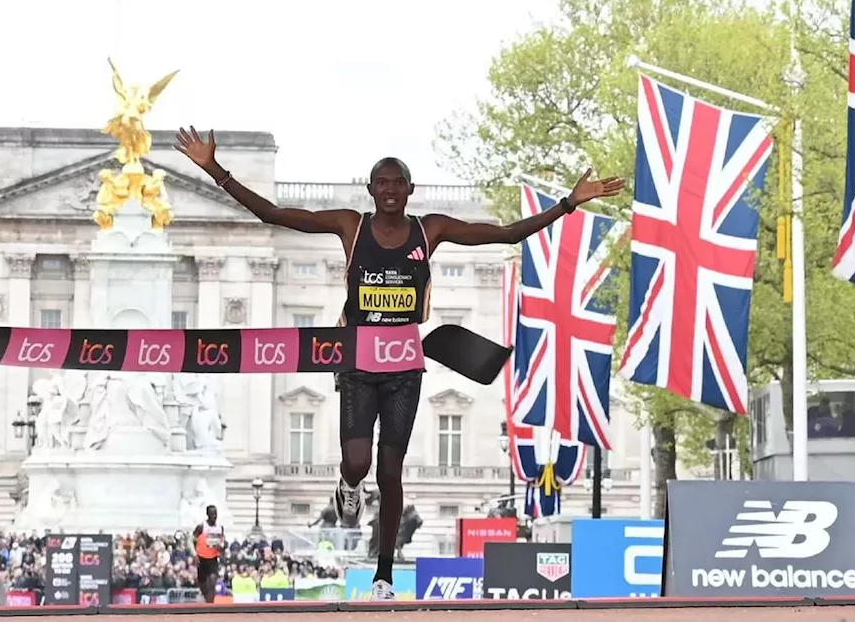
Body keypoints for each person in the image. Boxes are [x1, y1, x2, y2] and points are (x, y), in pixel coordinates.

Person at [174, 127, 625, 600]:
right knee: (357, 460)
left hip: (405, 367)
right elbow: (273, 213)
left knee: (391, 473)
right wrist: (213, 170)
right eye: (381, 183)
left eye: (398, 182)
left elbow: (507, 233)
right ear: (371, 191)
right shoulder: (351, 226)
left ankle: (383, 575)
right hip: (357, 363)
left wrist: (568, 204)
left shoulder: (431, 231)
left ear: (410, 190)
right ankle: (348, 488)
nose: (389, 190)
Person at [193, 504, 225, 603]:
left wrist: (222, 547)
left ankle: (210, 606)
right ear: (207, 514)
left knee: (212, 581)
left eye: (215, 514)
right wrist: (194, 553)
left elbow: (222, 541)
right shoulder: (201, 527)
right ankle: (206, 599)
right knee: (203, 584)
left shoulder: (220, 528)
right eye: (212, 514)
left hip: (213, 559)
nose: (214, 516)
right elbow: (190, 540)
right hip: (202, 559)